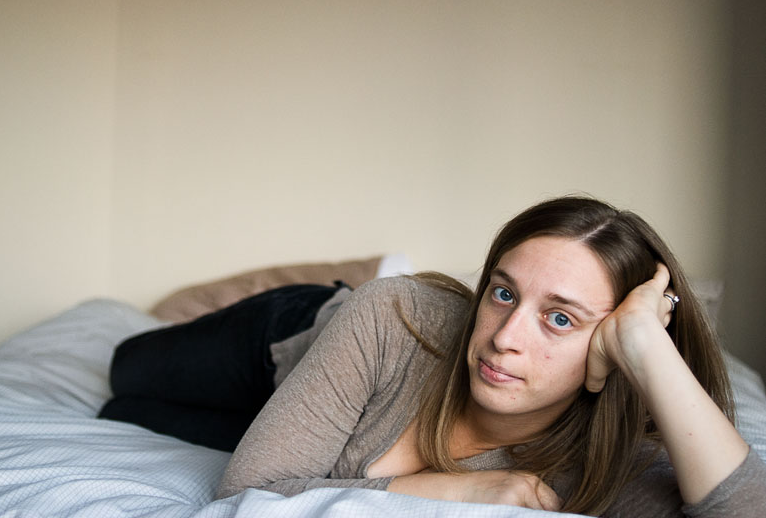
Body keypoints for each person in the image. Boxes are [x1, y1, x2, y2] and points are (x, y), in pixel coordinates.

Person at [217, 196, 766, 516]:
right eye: (503, 293)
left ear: (612, 345)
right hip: (283, 340)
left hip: (295, 427)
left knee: (151, 419)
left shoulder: (612, 465)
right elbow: (244, 494)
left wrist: (646, 345)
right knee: (131, 369)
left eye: (560, 318)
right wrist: (458, 487)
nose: (505, 337)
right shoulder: (391, 315)